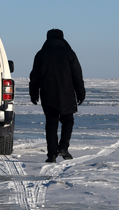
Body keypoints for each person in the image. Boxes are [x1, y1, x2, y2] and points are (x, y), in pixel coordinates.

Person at [29, 29, 86, 163]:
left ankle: (51, 154)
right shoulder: (69, 53)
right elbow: (77, 75)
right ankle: (63, 148)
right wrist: (80, 93)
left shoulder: (41, 54)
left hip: (48, 95)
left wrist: (34, 93)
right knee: (68, 120)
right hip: (66, 94)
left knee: (51, 123)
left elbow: (34, 77)